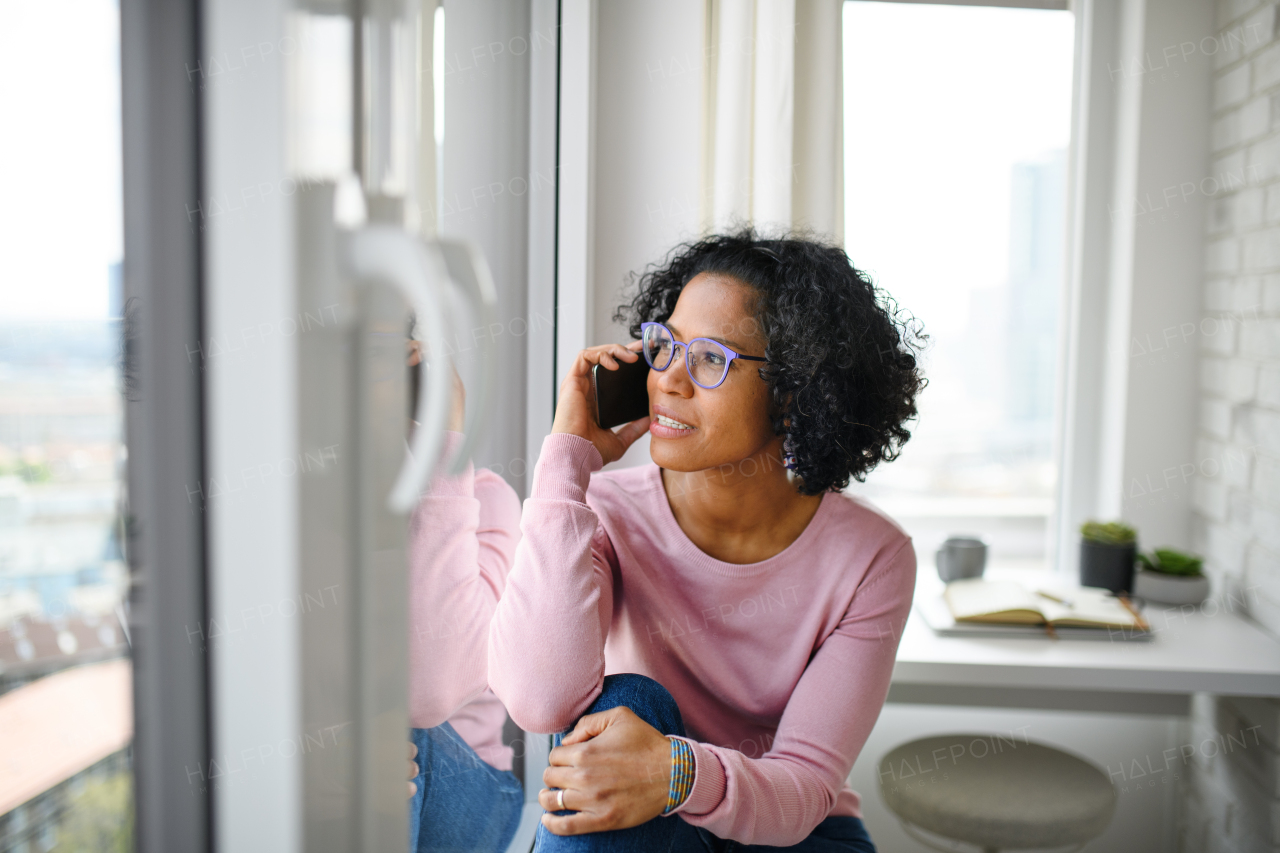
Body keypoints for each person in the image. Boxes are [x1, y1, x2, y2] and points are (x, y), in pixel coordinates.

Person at [487, 229, 927, 851]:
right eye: (665, 346)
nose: (667, 379)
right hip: (645, 823)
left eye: (710, 359)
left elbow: (802, 788)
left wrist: (677, 773)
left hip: (793, 831)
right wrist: (566, 466)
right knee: (630, 701)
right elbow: (539, 701)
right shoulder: (603, 512)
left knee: (633, 721)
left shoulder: (872, 558)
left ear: (796, 389)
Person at [404, 343, 524, 853]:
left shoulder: (486, 499)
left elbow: (428, 691)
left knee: (395, 731)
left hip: (477, 785)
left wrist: (445, 448)